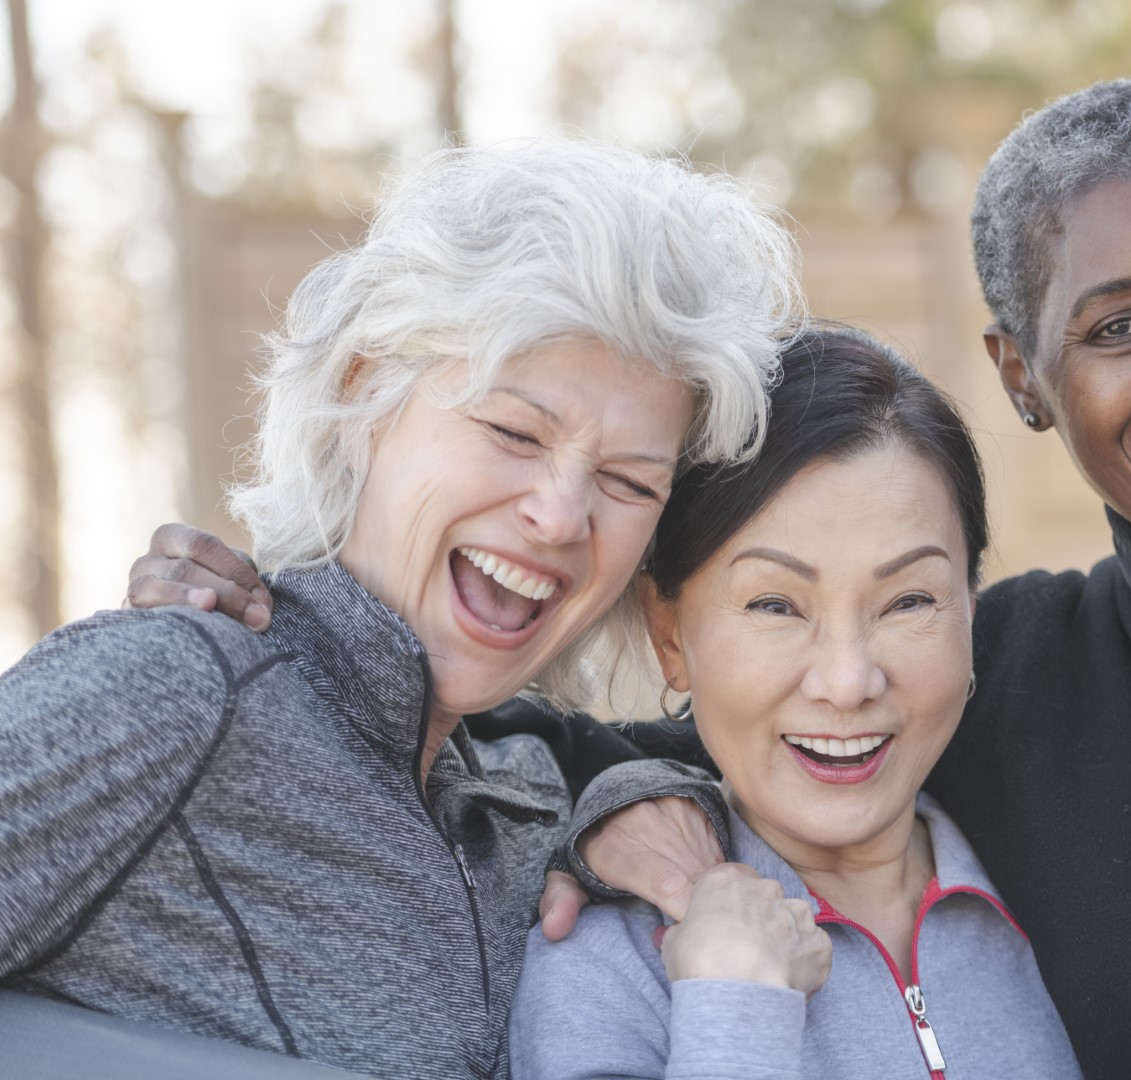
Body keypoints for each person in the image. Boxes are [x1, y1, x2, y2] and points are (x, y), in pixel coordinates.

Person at [125, 80, 1131, 1080]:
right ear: (1023, 379)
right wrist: (293, 631)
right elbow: (600, 724)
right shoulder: (1016, 677)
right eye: (1116, 328)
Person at [0, 136, 809, 1080]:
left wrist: (625, 801)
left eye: (629, 482)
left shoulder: (529, 797)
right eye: (513, 431)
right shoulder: (175, 692)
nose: (559, 516)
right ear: (364, 396)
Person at [507, 326, 1082, 1079]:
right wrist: (735, 1013)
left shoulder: (1060, 885)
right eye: (776, 606)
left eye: (908, 600)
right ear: (669, 633)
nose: (848, 683)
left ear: (970, 615)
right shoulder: (605, 965)